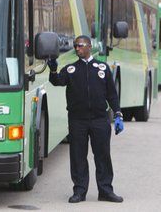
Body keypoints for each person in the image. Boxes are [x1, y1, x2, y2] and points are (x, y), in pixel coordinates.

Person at [48, 35, 124, 203]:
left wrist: (118, 114)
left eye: (80, 45)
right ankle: (79, 191)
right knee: (78, 156)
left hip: (99, 120)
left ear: (89, 46)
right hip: (78, 121)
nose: (77, 48)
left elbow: (112, 94)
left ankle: (105, 190)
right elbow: (57, 81)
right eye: (75, 46)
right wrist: (53, 70)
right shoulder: (70, 69)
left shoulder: (102, 68)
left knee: (102, 156)